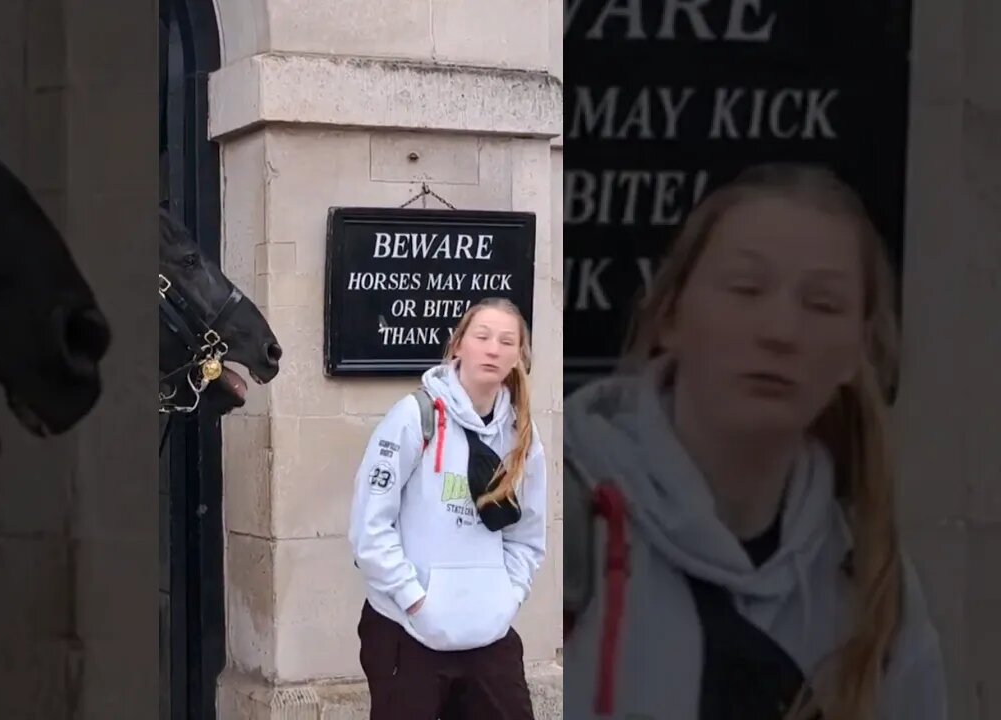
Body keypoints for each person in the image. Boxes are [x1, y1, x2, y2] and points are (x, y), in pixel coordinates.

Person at [562, 163, 948, 720]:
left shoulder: (873, 587)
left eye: (822, 305)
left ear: (856, 350)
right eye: (746, 288)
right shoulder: (551, 518)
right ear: (670, 314)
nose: (780, 332)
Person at [347, 297, 548, 720]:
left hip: (488, 635)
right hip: (407, 630)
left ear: (518, 357)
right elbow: (370, 525)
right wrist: (414, 598)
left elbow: (527, 535)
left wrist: (506, 598)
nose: (493, 349)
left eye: (506, 341)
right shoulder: (413, 417)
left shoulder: (521, 438)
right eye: (482, 336)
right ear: (458, 346)